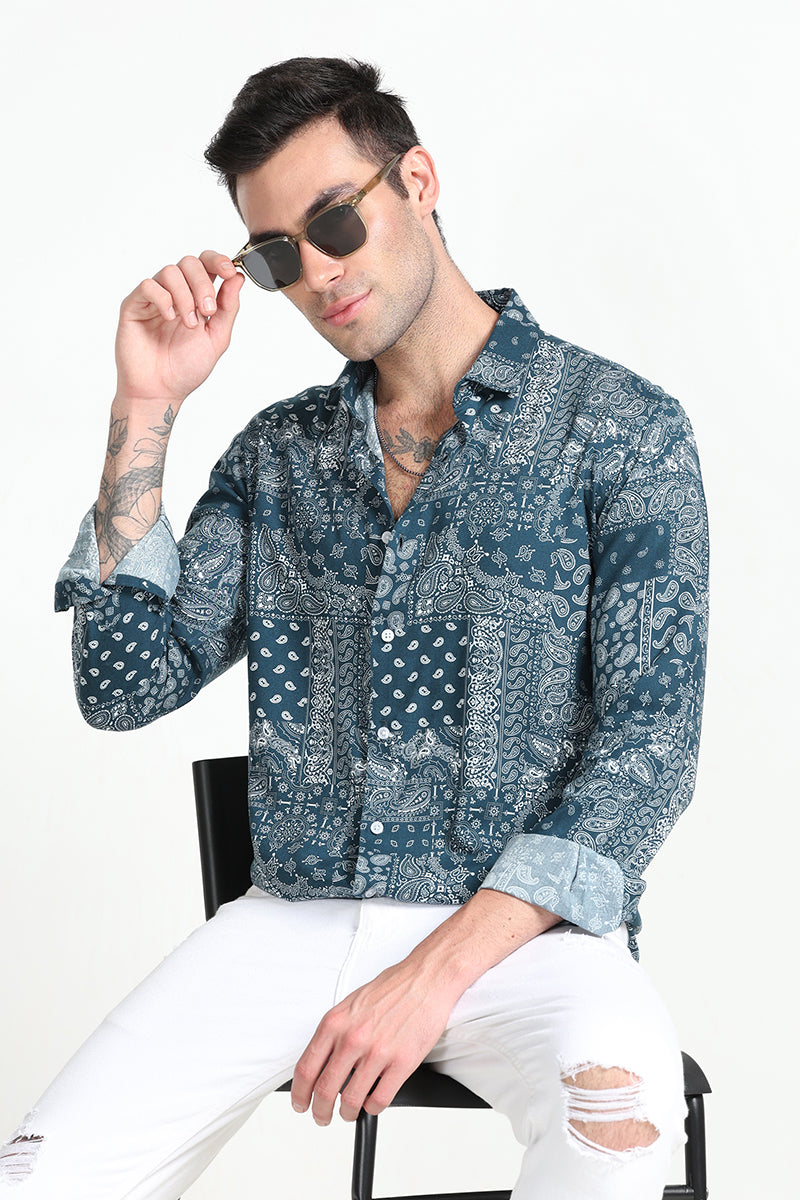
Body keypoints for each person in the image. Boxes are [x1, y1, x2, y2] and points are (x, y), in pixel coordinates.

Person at [1, 57, 709, 1199]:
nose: (317, 273)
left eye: (335, 222)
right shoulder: (279, 457)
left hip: (524, 937)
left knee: (616, 1127)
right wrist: (147, 405)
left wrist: (432, 973)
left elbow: (648, 755)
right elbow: (121, 686)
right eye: (277, 255)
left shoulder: (620, 430)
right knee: (42, 1176)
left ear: (416, 180)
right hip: (290, 919)